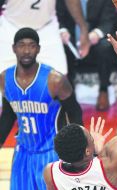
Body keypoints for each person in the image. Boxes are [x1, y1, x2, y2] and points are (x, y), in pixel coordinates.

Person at [43, 31, 117, 189]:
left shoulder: (51, 173)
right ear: (88, 151)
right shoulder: (108, 164)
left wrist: (93, 152)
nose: (90, 131)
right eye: (89, 135)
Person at [0, 27, 83, 190]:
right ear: (13, 48)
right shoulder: (5, 79)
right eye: (21, 45)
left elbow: (74, 113)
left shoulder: (55, 80)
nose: (26, 50)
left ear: (38, 49)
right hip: (22, 154)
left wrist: (79, 149)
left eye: (31, 45)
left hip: (51, 153)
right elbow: (8, 116)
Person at [0, 0, 90, 75]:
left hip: (46, 28)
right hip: (11, 26)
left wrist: (83, 29)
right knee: (4, 78)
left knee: (59, 79)